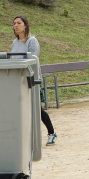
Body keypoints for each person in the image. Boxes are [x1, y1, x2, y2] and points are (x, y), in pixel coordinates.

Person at [11, 16, 57, 146]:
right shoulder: (15, 42)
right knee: (20, 108)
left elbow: (33, 60)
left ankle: (51, 133)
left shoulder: (32, 41)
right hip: (17, 79)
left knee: (36, 108)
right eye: (14, 23)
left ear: (25, 25)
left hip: (31, 78)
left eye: (19, 23)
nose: (16, 25)